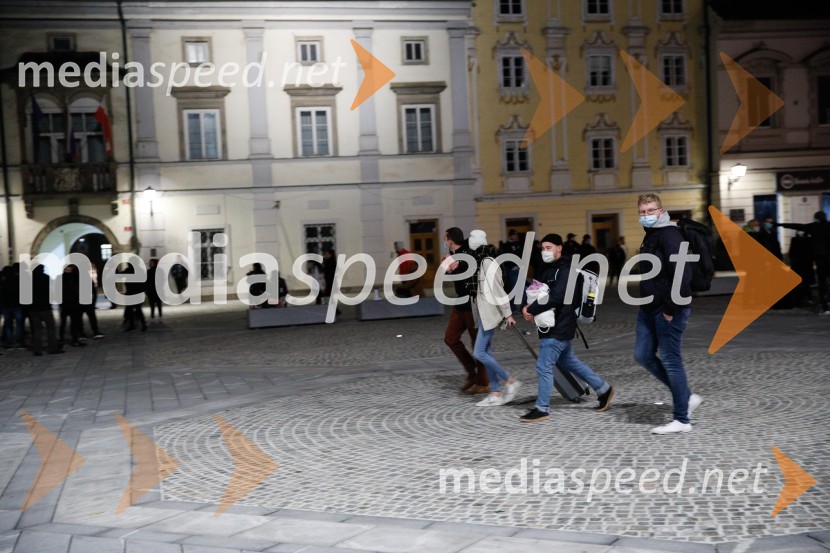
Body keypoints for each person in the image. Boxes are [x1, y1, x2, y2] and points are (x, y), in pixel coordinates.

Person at [520, 234, 615, 422]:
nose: (545, 251)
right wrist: (528, 306)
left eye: (549, 247)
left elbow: (558, 296)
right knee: (569, 361)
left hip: (560, 325)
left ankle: (542, 408)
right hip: (552, 323)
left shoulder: (566, 270)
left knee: (544, 366)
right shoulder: (548, 268)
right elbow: (540, 291)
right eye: (543, 248)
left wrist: (531, 309)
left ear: (559, 248)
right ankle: (604, 389)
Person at [634, 193, 702, 434]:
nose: (646, 215)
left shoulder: (670, 234)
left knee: (671, 360)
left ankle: (682, 419)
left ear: (661, 210)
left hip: (669, 308)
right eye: (642, 212)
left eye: (650, 211)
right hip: (649, 306)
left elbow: (681, 273)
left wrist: (672, 308)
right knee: (643, 355)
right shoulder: (652, 234)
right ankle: (686, 396)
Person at [466, 230, 521, 407]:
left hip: (490, 312)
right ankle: (496, 393)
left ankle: (510, 381)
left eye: (473, 239)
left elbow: (499, 289)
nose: (470, 242)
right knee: (486, 353)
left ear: (480, 241)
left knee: (479, 352)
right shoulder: (479, 261)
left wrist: (508, 313)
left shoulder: (488, 263)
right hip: (483, 313)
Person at [442, 227, 489, 395]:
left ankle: (484, 382)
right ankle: (472, 371)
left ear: (450, 240)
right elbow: (449, 273)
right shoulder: (452, 255)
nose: (444, 242)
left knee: (478, 343)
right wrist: (449, 268)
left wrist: (456, 267)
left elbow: (472, 275)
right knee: (450, 338)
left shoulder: (468, 253)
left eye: (445, 239)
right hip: (460, 303)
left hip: (474, 304)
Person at [775, 211, 830, 315]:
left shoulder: (813, 227)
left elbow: (797, 226)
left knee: (822, 283)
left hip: (820, 258)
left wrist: (780, 224)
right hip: (828, 257)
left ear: (816, 218)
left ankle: (826, 308)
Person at [28, 265, 62, 356]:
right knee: (50, 328)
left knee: (37, 329)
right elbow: (51, 291)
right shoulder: (46, 278)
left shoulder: (29, 279)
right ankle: (52, 348)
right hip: (45, 307)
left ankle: (37, 349)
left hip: (33, 309)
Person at [59, 265, 85, 347]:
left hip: (71, 303)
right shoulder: (70, 278)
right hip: (68, 303)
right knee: (65, 322)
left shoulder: (74, 278)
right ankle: (64, 339)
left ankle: (72, 339)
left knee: (72, 322)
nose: (68, 270)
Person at [1, 264, 25, 349]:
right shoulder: (17, 280)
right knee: (19, 324)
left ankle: (9, 342)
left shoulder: (3, 282)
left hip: (5, 306)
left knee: (8, 325)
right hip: (16, 305)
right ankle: (20, 342)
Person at [499, 229, 523, 311]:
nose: (516, 236)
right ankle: (512, 307)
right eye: (515, 235)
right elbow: (506, 257)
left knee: (520, 287)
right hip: (511, 270)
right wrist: (512, 266)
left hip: (518, 269)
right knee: (512, 288)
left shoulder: (518, 244)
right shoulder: (506, 245)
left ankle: (520, 305)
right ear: (511, 236)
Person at [80, 267, 105, 339]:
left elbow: (93, 290)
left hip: (85, 301)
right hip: (85, 301)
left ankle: (82, 333)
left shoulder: (81, 277)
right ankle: (94, 332)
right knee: (91, 317)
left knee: (86, 318)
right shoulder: (83, 277)